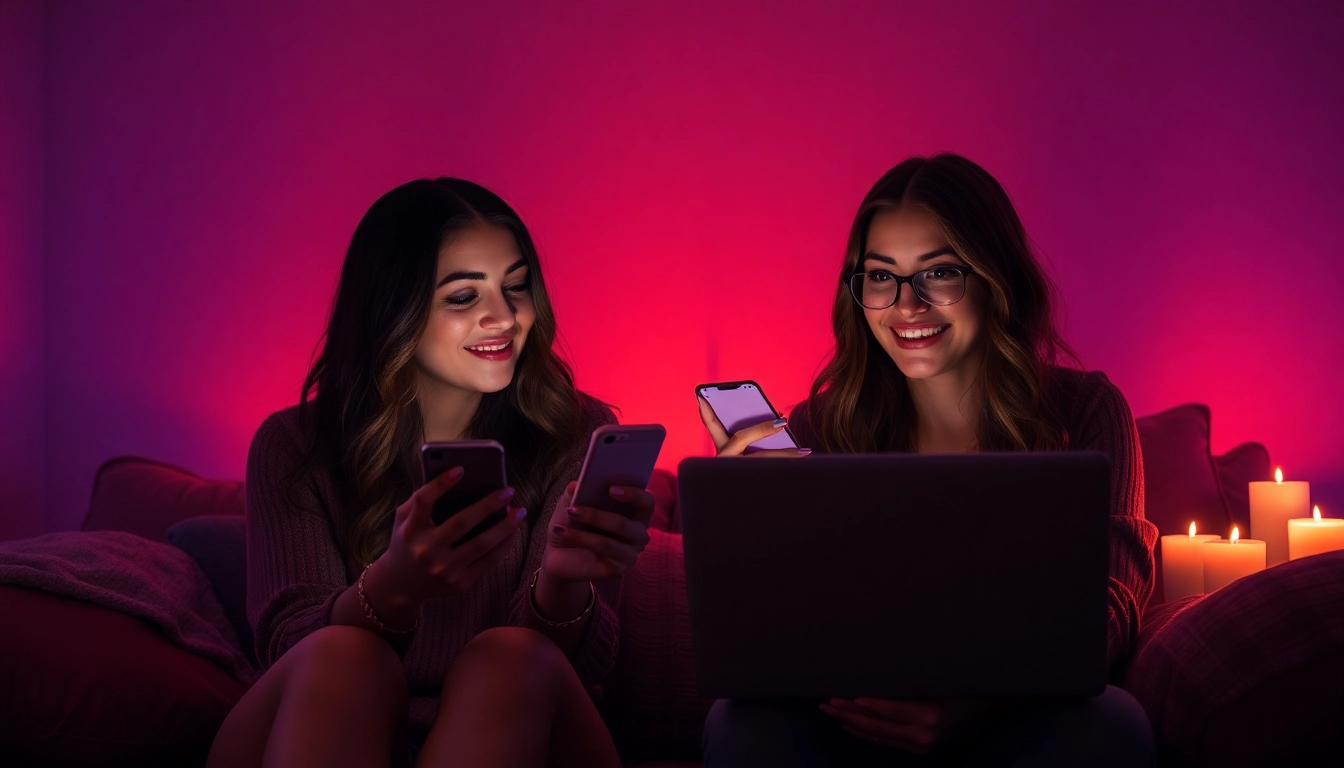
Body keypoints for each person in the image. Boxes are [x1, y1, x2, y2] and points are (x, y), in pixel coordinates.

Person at [698, 153, 1158, 766]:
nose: (907, 305)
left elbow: (1113, 601)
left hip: (1017, 716)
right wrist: (746, 540)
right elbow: (773, 631)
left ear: (997, 279)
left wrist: (986, 696)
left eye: (939, 274)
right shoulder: (814, 427)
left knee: (1112, 725)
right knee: (740, 724)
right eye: (881, 276)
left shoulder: (1086, 409)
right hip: (852, 722)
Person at [208, 178, 655, 768]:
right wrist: (395, 585)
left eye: (516, 287)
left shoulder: (571, 432)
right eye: (463, 298)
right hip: (333, 721)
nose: (504, 318)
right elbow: (287, 649)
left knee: (509, 657)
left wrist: (564, 585)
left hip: (516, 729)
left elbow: (580, 668)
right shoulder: (294, 447)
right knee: (345, 657)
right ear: (396, 310)